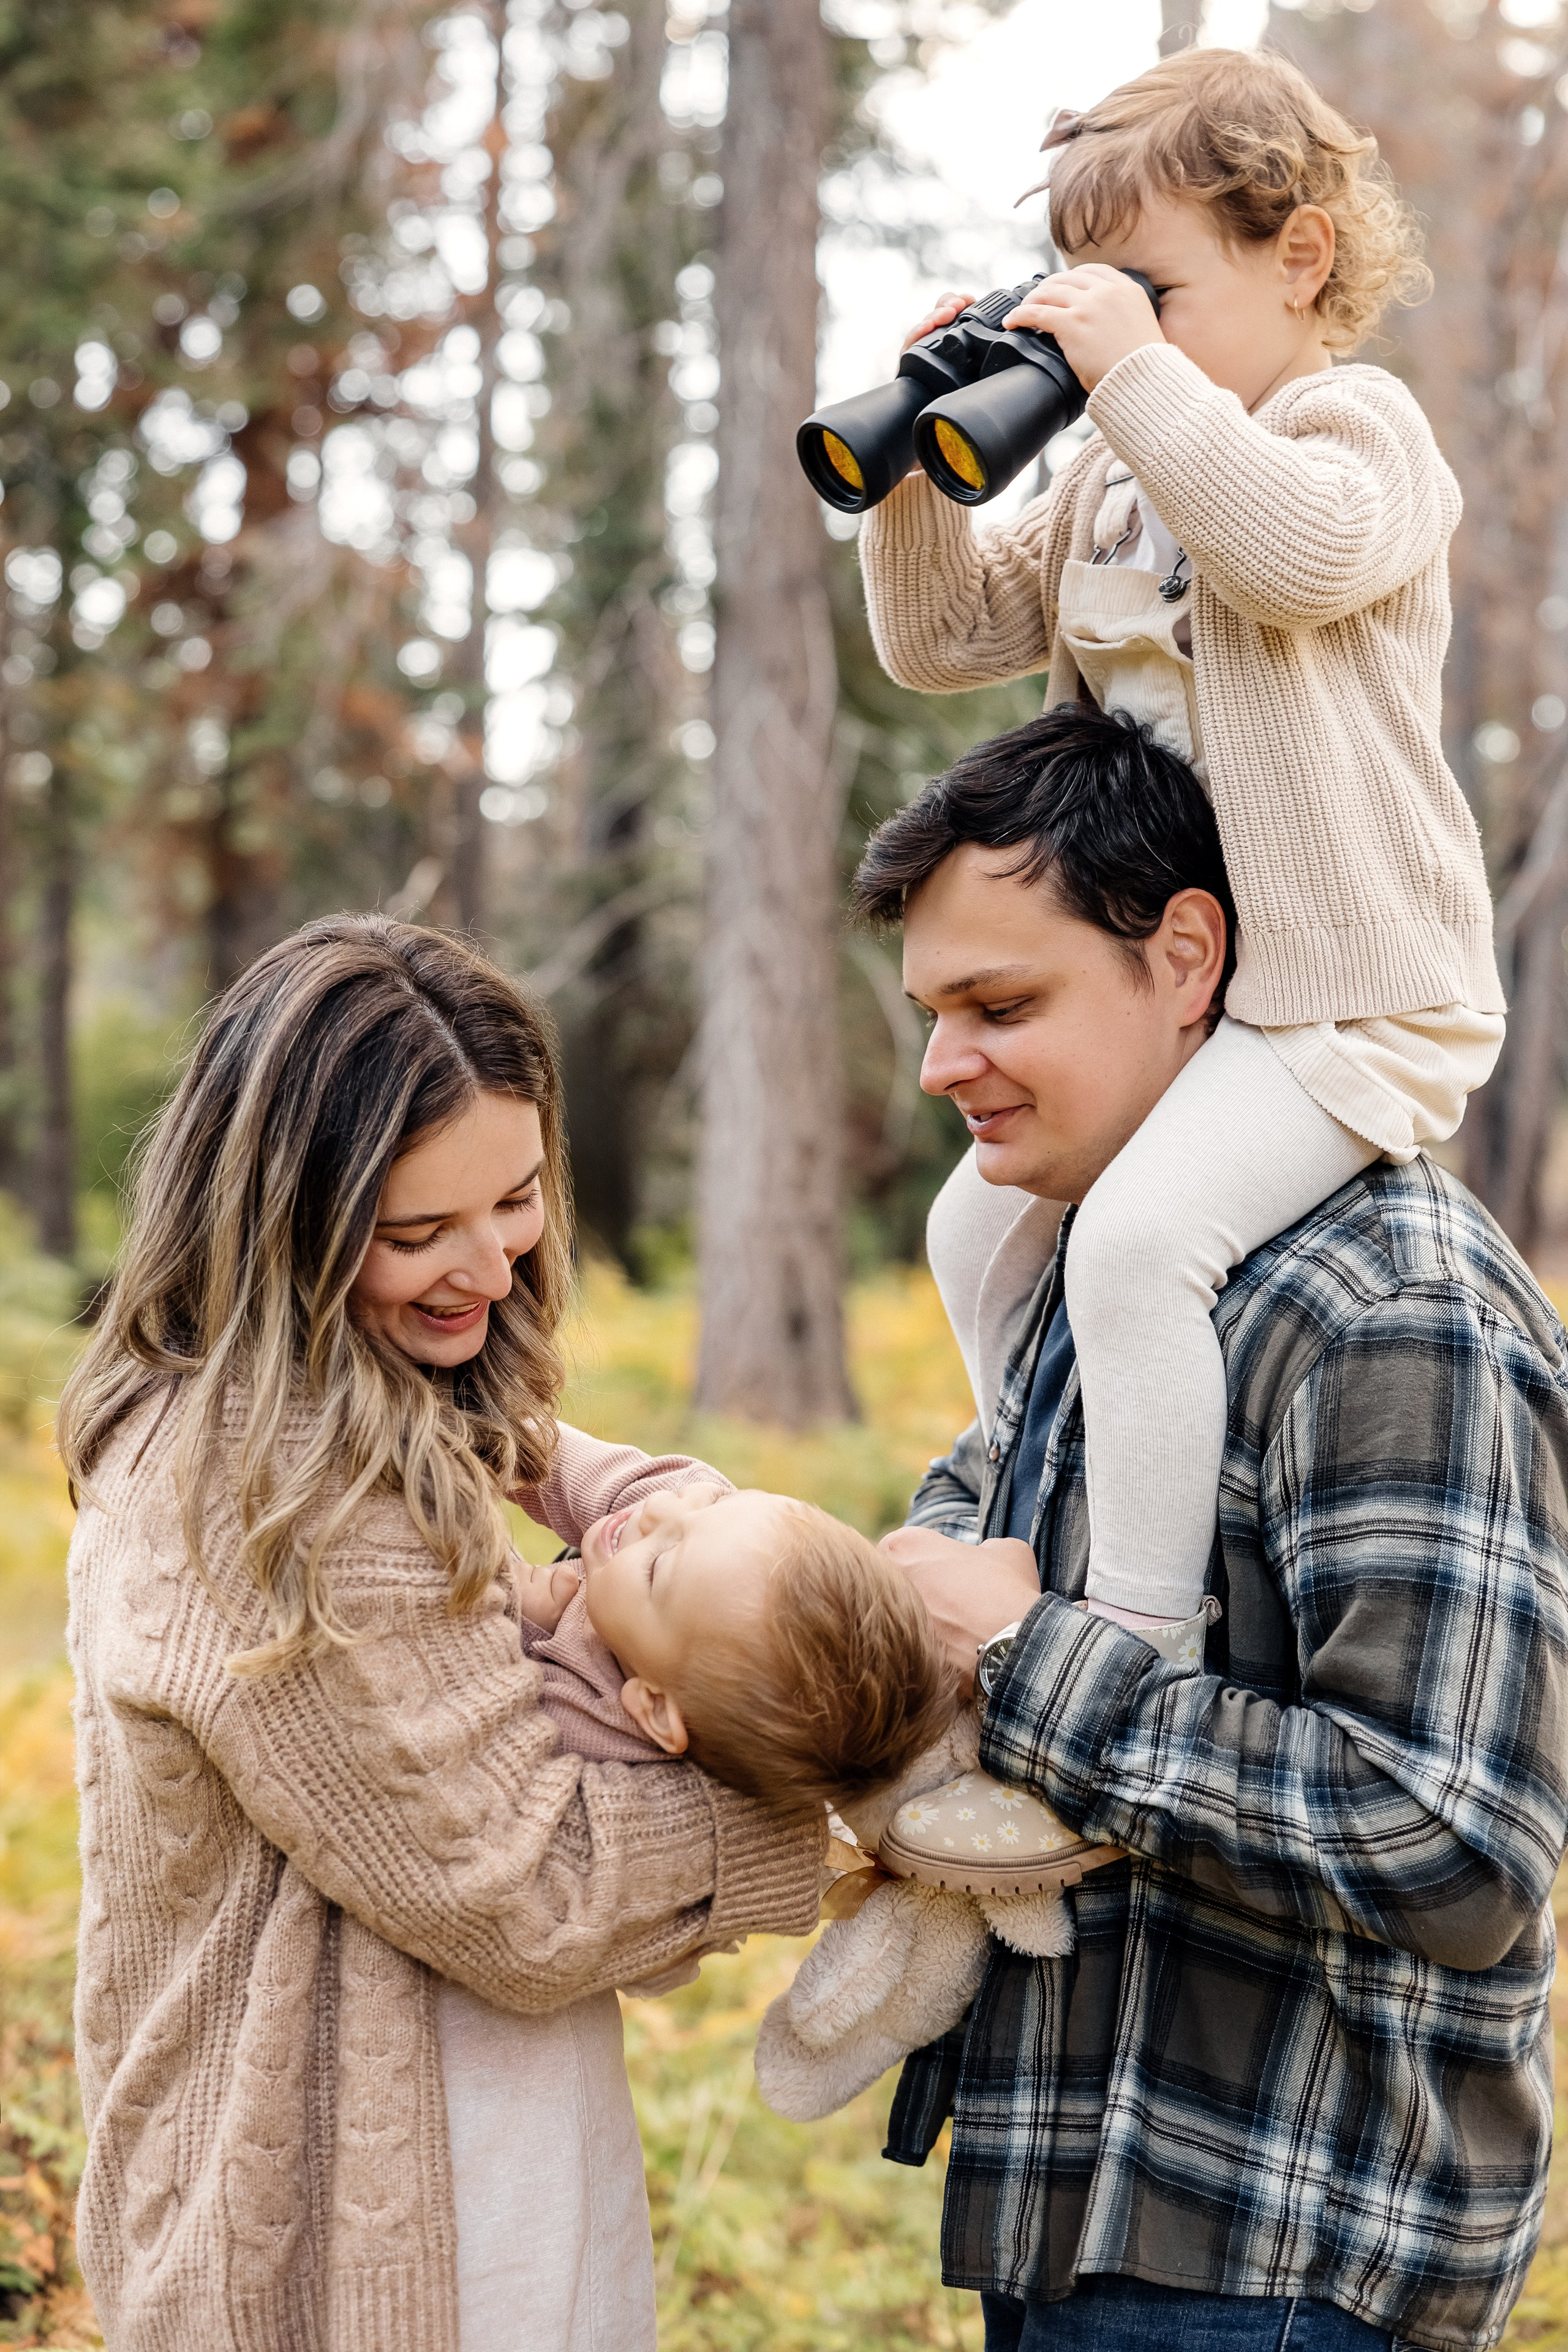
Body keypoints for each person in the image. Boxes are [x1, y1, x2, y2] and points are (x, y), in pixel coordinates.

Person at [850, 703, 1568, 2352]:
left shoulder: (1391, 1306)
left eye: (1000, 1004)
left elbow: (1453, 1842)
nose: (942, 1063)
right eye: (932, 1010)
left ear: (1188, 959)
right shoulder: (1092, 1260)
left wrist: (1023, 1666)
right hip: (1084, 2220)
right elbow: (966, 1558)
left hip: (1281, 2265)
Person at [57, 914, 827, 2352]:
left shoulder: (360, 1396)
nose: (484, 1266)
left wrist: (589, 1479)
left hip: (448, 2149)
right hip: (369, 2218)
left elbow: (644, 1517)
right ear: (286, 1218)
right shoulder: (277, 1485)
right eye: (416, 1232)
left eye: (517, 1198)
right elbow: (528, 1896)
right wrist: (822, 1818)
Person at [859, 45, 1505, 1650]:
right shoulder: (1114, 487)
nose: (1104, 327)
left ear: (1298, 259)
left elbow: (1292, 556)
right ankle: (1052, 1494)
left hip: (1352, 991)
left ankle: (1131, 1638)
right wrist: (915, 462)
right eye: (1084, 294)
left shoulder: (1363, 434)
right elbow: (941, 638)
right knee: (972, 1229)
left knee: (1140, 1244)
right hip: (1195, 993)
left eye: (1147, 287)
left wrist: (1130, 378)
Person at [516, 1480, 956, 1806]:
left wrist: (514, 1607)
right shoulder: (667, 1623)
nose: (659, 1504)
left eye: (660, 1563)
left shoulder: (575, 1726)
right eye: (715, 1501)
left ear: (654, 1709)